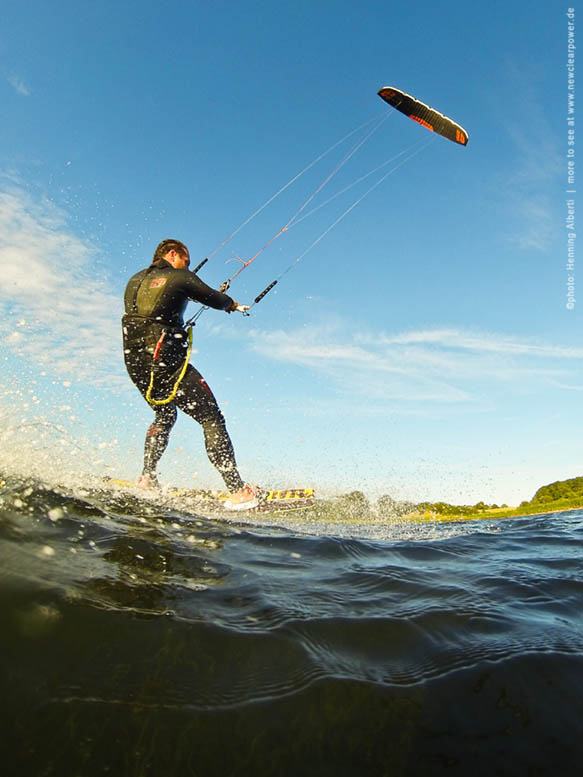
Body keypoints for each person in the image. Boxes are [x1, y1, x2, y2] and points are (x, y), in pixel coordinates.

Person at [121, 238, 258, 510]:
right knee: (211, 417)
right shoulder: (179, 276)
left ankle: (147, 478)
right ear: (173, 254)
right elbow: (214, 298)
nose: (188, 266)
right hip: (165, 360)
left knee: (164, 414)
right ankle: (238, 490)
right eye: (186, 260)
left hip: (135, 364)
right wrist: (232, 304)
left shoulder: (134, 281)